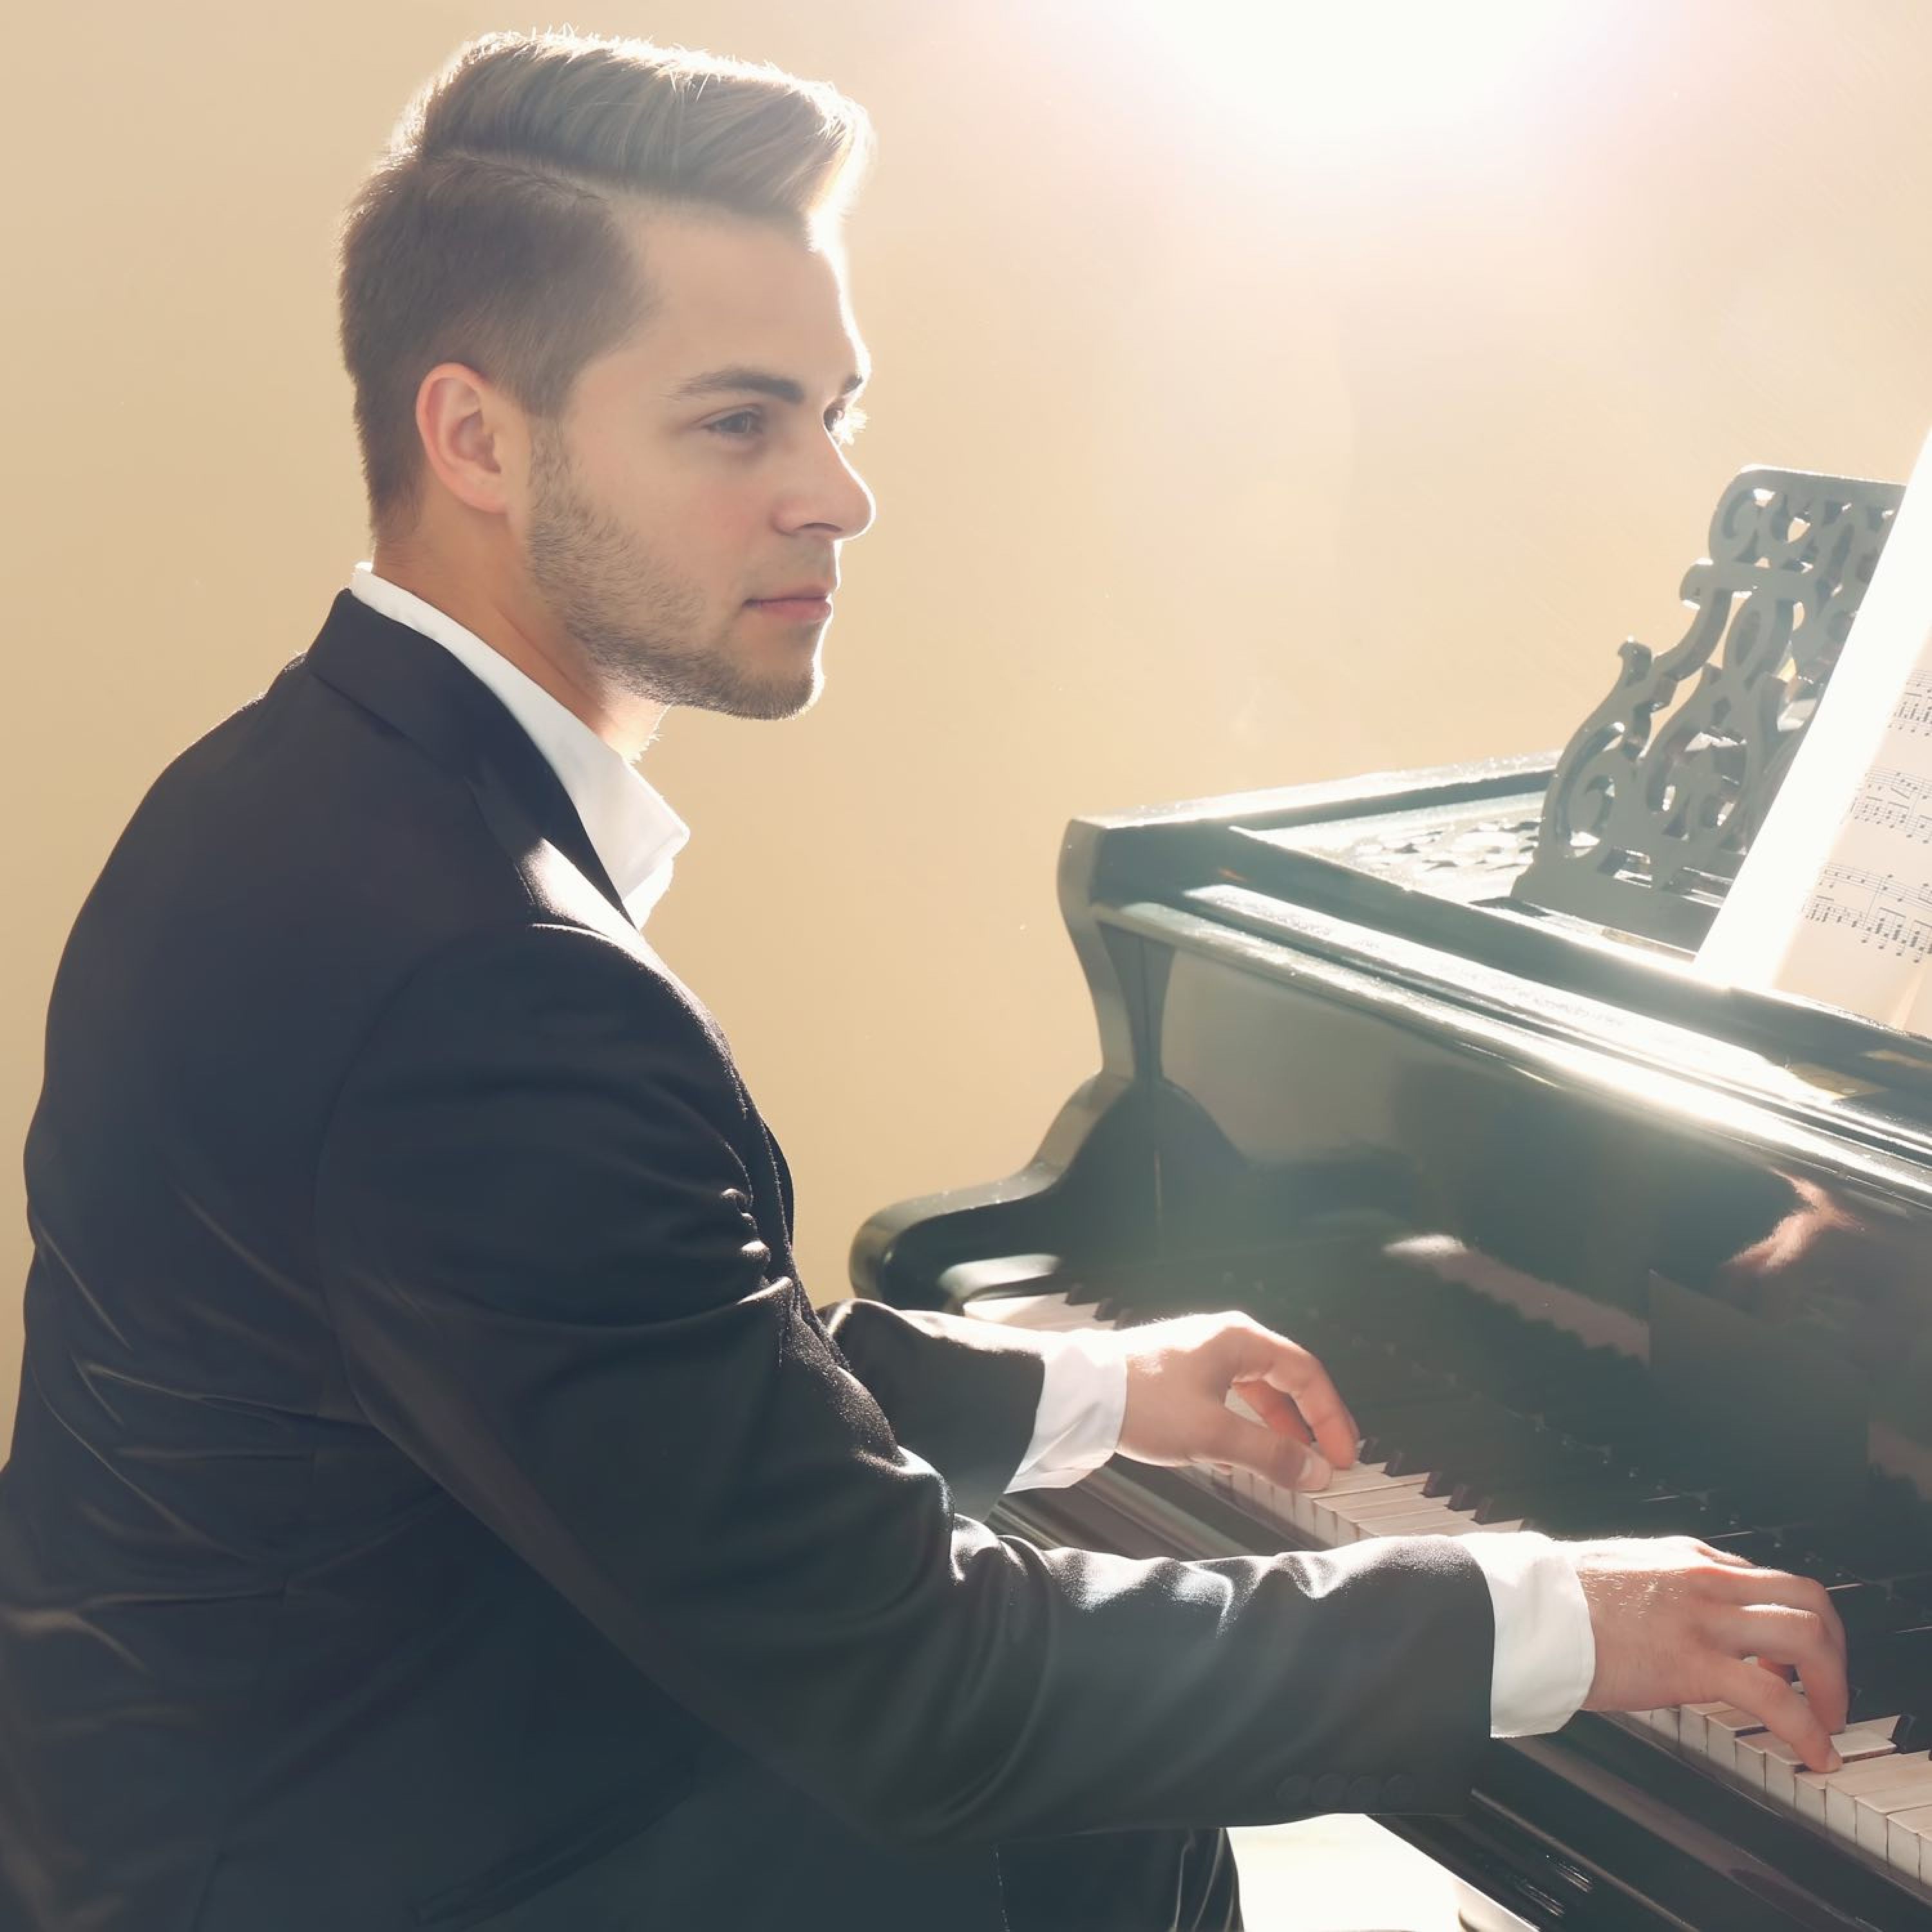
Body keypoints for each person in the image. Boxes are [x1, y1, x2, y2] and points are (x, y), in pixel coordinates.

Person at [0, 30, 1850, 1932]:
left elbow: (630, 1371)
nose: (837, 494)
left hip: (259, 1778)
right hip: (350, 1867)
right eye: (739, 424)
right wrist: (1548, 1616)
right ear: (476, 437)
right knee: (1085, 1830)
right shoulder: (478, 986)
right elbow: (933, 1697)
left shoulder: (306, 791)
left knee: (1112, 1837)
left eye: (837, 411)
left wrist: (1088, 1389)